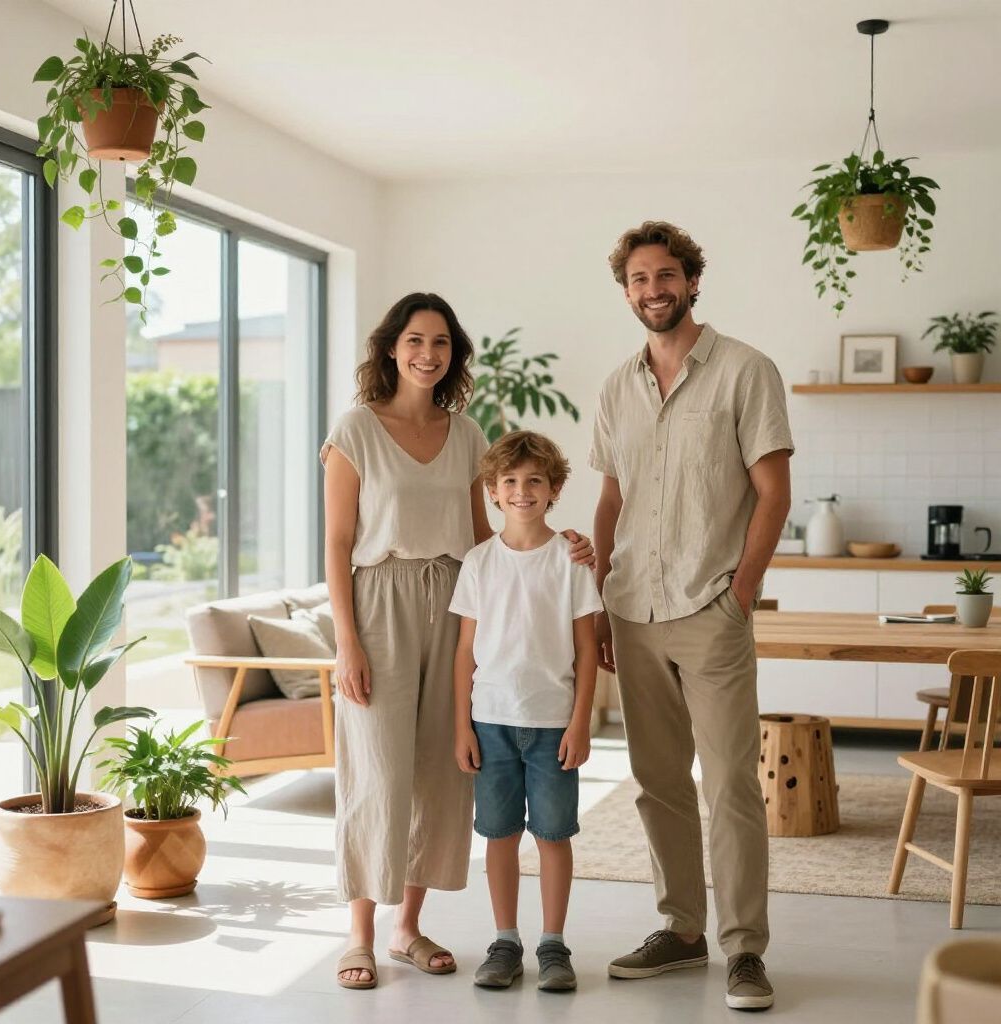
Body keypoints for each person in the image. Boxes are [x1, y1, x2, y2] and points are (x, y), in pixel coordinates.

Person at [323, 294, 592, 989]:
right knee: (376, 770)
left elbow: (490, 539)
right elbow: (337, 542)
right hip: (377, 601)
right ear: (391, 347)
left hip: (455, 600)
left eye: (440, 343)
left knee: (441, 776)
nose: (427, 353)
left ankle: (407, 927)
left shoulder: (469, 434)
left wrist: (555, 554)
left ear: (453, 355)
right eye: (415, 340)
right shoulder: (355, 428)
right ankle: (358, 935)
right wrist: (346, 642)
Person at [590, 222, 793, 1011]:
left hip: (711, 608)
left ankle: (745, 951)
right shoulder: (616, 387)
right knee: (658, 781)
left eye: (665, 275)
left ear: (692, 280)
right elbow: (611, 498)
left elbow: (772, 493)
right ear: (627, 290)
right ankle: (681, 931)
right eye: (638, 279)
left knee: (732, 784)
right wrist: (600, 600)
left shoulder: (745, 371)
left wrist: (740, 592)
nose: (653, 290)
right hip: (632, 609)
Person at [451, 431, 601, 992]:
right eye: (509, 482)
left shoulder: (570, 558)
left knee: (554, 835)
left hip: (553, 724)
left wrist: (581, 721)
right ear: (492, 491)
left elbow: (587, 647)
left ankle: (554, 945)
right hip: (489, 722)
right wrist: (461, 724)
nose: (521, 491)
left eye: (534, 480)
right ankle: (505, 941)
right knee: (499, 835)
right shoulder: (479, 562)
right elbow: (465, 651)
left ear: (554, 489)